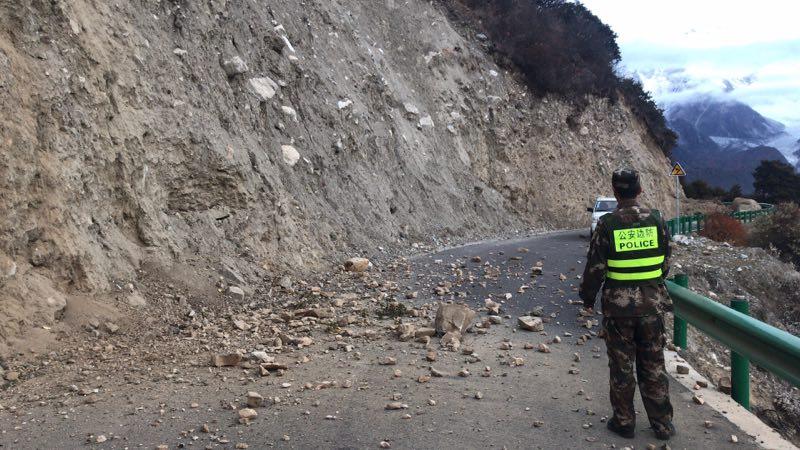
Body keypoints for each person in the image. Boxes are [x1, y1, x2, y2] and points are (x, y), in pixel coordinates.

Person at [579, 168, 675, 440]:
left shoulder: (608, 225)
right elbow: (665, 262)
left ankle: (624, 422)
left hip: (618, 311)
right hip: (651, 306)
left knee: (622, 367)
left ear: (615, 192)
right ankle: (662, 425)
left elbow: (595, 268)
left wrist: (587, 298)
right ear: (640, 190)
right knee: (653, 365)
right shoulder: (657, 220)